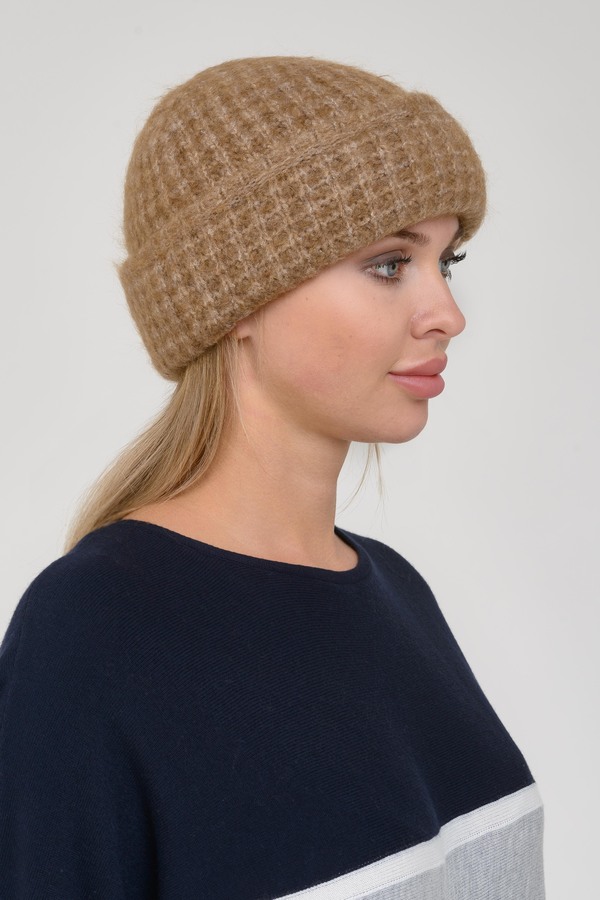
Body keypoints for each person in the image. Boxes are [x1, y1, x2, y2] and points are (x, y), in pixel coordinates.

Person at [0, 56, 545, 899]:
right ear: (236, 298)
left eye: (448, 261)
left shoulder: (396, 591)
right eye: (390, 263)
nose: (448, 314)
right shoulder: (96, 628)